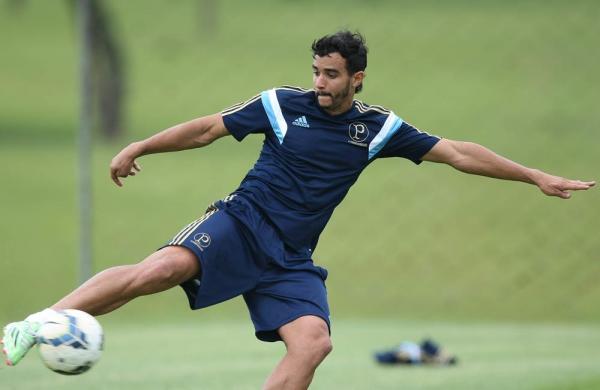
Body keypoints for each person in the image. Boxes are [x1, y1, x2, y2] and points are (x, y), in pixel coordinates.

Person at [2, 31, 594, 389]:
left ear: (357, 79)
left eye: (332, 75)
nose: (320, 83)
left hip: (290, 258)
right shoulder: (283, 106)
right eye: (316, 71)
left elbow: (459, 152)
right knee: (157, 271)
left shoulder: (378, 128)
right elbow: (208, 128)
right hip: (240, 222)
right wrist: (140, 145)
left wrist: (534, 175)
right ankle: (35, 323)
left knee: (314, 343)